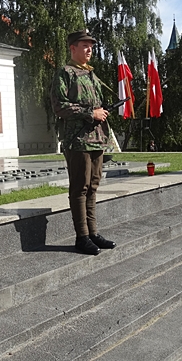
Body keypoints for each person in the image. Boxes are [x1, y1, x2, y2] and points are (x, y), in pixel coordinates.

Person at [51, 29, 116, 256]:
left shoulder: (91, 75)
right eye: (85, 45)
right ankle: (82, 236)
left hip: (96, 139)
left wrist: (101, 113)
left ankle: (93, 232)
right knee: (80, 188)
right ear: (73, 48)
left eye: (91, 46)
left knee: (93, 187)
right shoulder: (65, 73)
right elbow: (60, 106)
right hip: (77, 140)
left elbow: (97, 105)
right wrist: (91, 113)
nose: (89, 49)